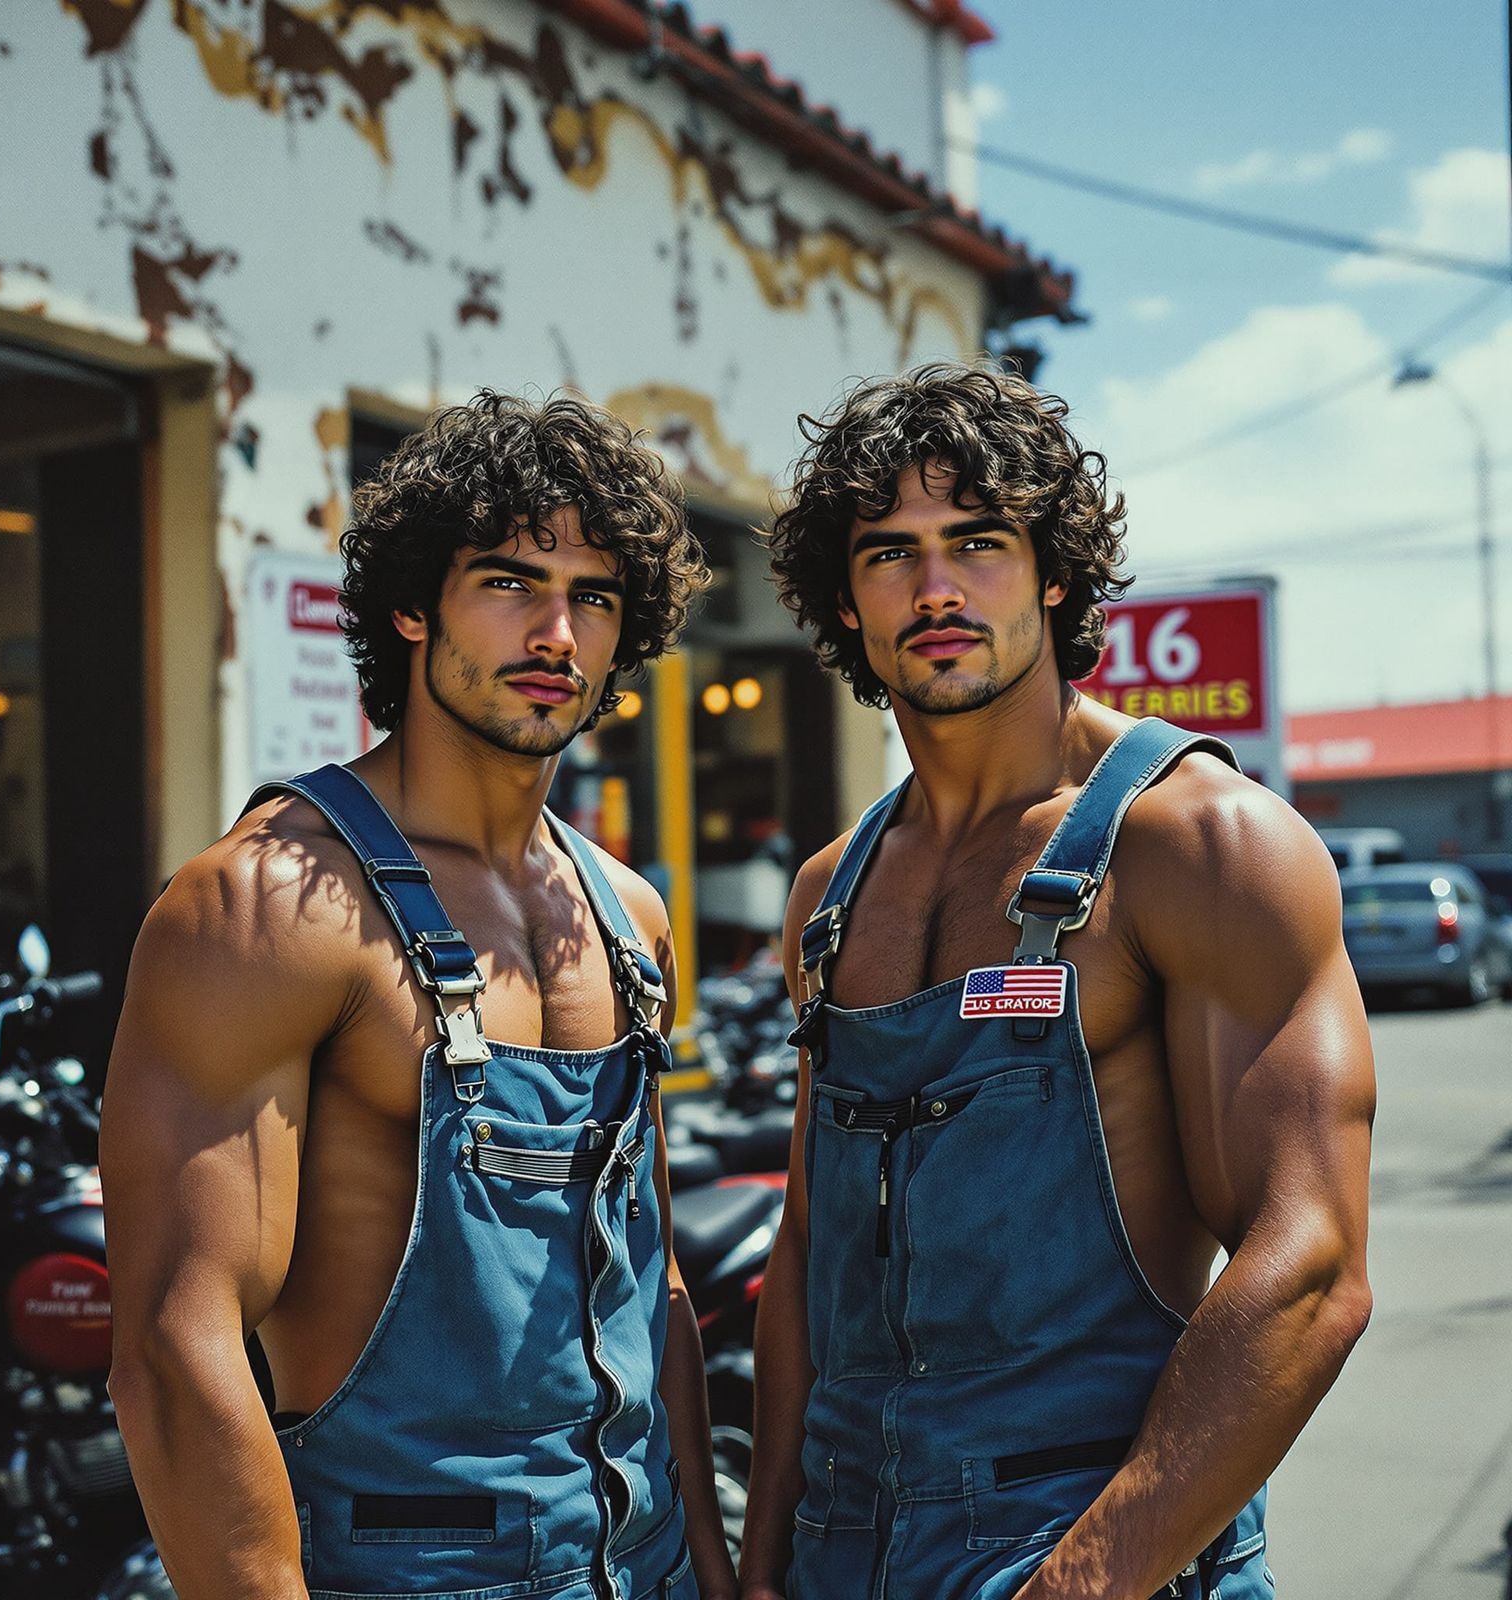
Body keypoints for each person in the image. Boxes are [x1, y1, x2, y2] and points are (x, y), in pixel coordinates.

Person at [738, 364, 1375, 1600]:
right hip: (842, 1547)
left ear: (1052, 572)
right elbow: (809, 1251)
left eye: (975, 541)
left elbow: (1308, 1267)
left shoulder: (1198, 843)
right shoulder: (831, 892)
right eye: (888, 553)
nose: (934, 588)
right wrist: (766, 1556)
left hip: (1090, 1539)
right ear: (844, 600)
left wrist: (1080, 1581)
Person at [101, 392, 736, 1600]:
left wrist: (706, 1559)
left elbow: (649, 1287)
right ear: (409, 606)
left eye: (594, 596)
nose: (555, 630)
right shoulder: (267, 903)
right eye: (508, 581)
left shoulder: (626, 913)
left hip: (638, 1563)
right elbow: (174, 1354)